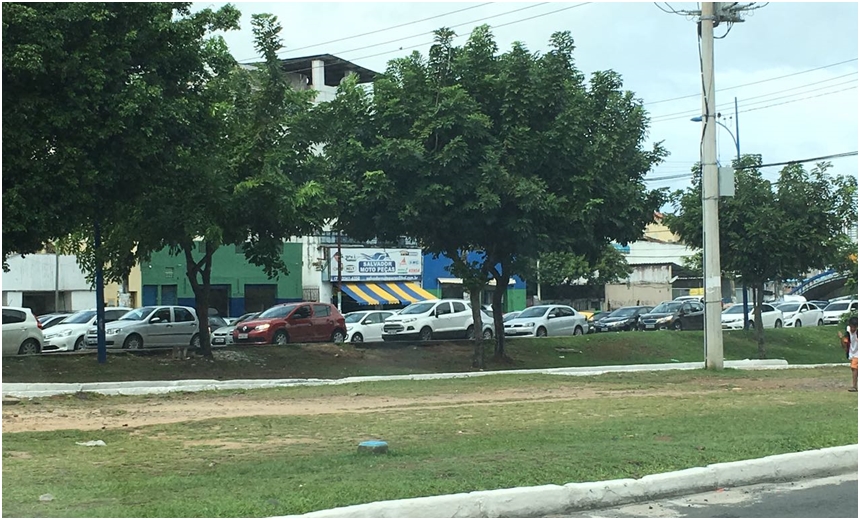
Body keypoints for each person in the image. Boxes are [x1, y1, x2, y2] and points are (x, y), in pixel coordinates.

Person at [838, 317, 858, 392]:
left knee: (854, 368)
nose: (853, 328)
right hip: (852, 353)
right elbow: (844, 345)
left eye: (854, 327)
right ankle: (854, 385)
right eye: (852, 326)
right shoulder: (848, 333)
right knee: (854, 368)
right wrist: (841, 338)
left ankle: (854, 386)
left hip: (857, 353)